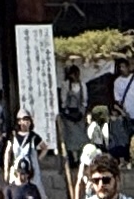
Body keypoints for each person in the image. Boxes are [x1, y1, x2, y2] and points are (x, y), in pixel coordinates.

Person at [57, 63, 88, 193]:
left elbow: (85, 99)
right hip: (69, 114)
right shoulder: (65, 85)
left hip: (79, 114)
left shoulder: (82, 85)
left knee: (81, 139)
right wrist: (66, 111)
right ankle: (71, 159)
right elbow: (63, 100)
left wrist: (82, 112)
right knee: (69, 138)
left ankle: (81, 159)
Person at [111, 59, 134, 163]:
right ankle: (127, 158)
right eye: (120, 67)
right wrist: (122, 111)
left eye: (124, 67)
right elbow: (117, 99)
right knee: (126, 138)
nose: (123, 69)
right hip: (126, 114)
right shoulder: (117, 82)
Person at [2, 110, 46, 192]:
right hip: (16, 169)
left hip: (31, 170)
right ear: (19, 121)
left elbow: (44, 148)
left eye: (28, 119)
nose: (26, 122)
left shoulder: (33, 136)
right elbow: (7, 153)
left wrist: (38, 159)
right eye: (24, 119)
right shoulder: (13, 136)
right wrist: (6, 170)